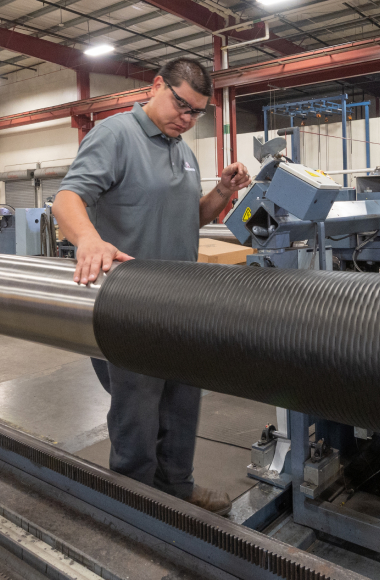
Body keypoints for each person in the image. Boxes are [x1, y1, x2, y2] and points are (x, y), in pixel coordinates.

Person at [52, 58, 251, 516]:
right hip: (130, 304)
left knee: (182, 401)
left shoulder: (182, 149)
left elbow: (189, 217)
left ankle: (176, 487)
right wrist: (88, 239)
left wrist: (221, 192)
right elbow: (67, 198)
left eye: (196, 112)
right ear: (156, 85)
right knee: (137, 413)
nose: (186, 117)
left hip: (180, 300)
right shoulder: (115, 135)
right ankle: (133, 504)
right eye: (181, 104)